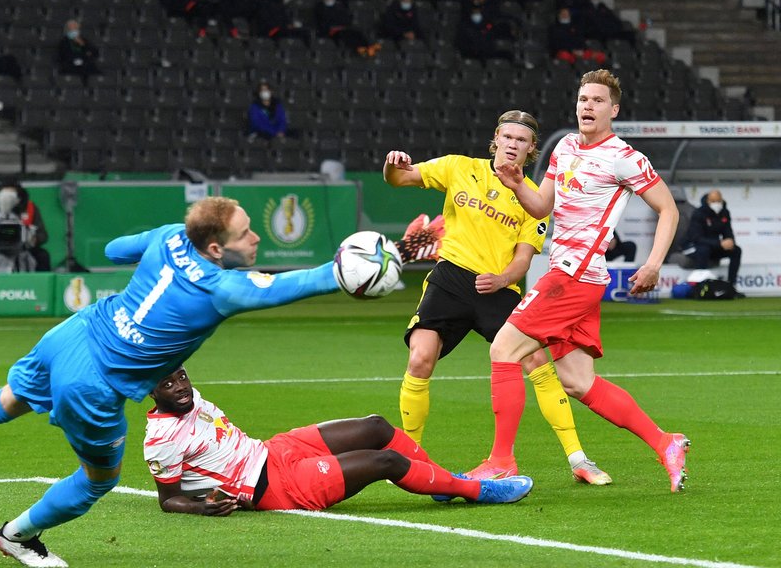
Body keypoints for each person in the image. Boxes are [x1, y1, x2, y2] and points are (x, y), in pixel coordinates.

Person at [0, 196, 441, 567]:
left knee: (2, 401)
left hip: (75, 333)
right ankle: (17, 537)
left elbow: (112, 250)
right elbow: (322, 278)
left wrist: (157, 249)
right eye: (246, 236)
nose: (254, 241)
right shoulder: (225, 289)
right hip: (96, 381)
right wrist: (387, 254)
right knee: (97, 480)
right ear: (217, 247)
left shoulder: (174, 235)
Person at [383, 110, 611, 485]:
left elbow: (523, 259)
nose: (512, 145)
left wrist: (501, 278)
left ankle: (579, 459)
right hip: (450, 280)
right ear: (496, 139)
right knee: (420, 357)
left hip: (498, 290)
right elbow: (399, 179)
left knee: (537, 360)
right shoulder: (459, 167)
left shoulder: (534, 201)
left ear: (531, 149)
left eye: (521, 140)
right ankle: (409, 458)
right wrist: (394, 164)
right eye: (507, 137)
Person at [489, 69, 689, 492]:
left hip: (574, 275)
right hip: (569, 272)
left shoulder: (624, 157)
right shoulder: (563, 146)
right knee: (578, 382)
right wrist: (516, 181)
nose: (587, 106)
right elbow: (541, 207)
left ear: (613, 110)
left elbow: (668, 210)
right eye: (583, 99)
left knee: (504, 349)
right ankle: (665, 442)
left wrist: (653, 263)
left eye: (597, 100)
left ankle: (500, 462)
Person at [144, 367, 534, 514]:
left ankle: (442, 484)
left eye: (181, 376)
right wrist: (201, 508)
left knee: (376, 426)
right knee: (385, 463)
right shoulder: (161, 438)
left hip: (274, 449)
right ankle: (477, 490)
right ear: (151, 392)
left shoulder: (192, 398)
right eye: (168, 384)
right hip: (273, 488)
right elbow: (168, 500)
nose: (181, 387)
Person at [683, 189, 742, 289]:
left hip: (714, 246)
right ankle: (700, 286)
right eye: (714, 201)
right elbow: (696, 238)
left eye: (719, 201)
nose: (717, 204)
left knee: (736, 250)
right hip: (693, 247)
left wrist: (730, 241)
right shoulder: (698, 213)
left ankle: (731, 286)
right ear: (708, 201)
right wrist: (719, 243)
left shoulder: (724, 212)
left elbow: (728, 231)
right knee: (704, 249)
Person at [314, 0, 381, 57]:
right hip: (329, 31)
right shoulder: (320, 6)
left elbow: (344, 18)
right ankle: (361, 51)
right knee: (346, 34)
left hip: (341, 28)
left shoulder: (339, 4)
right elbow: (320, 22)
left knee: (356, 32)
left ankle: (367, 48)